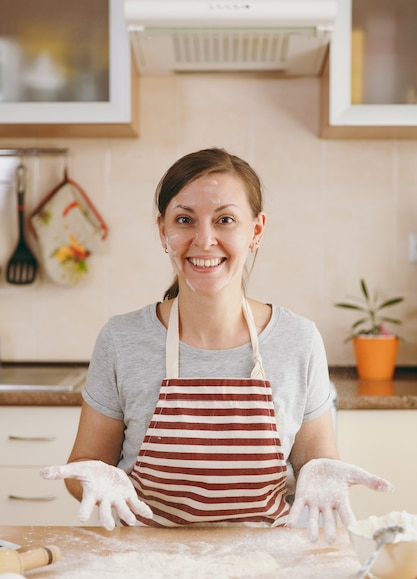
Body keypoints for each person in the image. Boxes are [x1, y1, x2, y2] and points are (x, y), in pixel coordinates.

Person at [41, 147, 392, 542]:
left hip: (267, 562)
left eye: (225, 220)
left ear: (256, 231)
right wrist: (94, 480)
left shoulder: (298, 339)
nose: (204, 240)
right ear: (163, 231)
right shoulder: (122, 339)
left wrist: (322, 472)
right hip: (143, 561)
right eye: (184, 220)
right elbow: (85, 468)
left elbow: (317, 461)